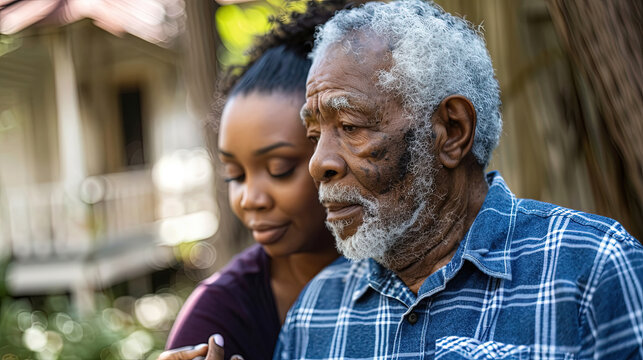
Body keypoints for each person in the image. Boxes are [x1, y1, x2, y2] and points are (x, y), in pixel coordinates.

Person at [272, 1, 643, 359]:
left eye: (351, 127)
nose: (319, 163)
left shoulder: (592, 271)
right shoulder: (313, 312)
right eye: (314, 136)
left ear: (451, 130)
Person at [158, 2, 347, 359]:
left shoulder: (414, 274)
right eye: (236, 175)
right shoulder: (217, 319)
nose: (249, 199)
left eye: (278, 169)